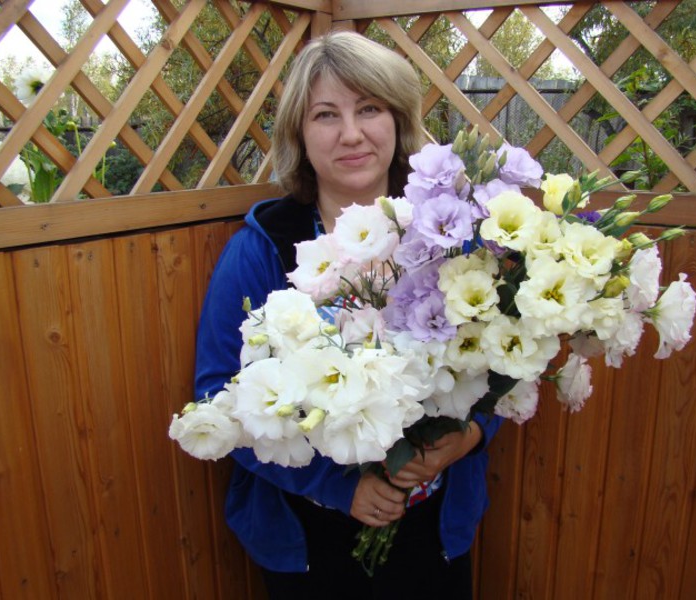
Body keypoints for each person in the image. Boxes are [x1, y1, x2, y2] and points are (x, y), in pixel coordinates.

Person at [194, 31, 501, 600]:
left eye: (369, 109)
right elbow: (219, 394)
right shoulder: (263, 247)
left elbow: (504, 360)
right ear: (299, 136)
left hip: (434, 525)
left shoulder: (450, 239)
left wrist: (470, 436)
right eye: (326, 115)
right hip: (307, 537)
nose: (352, 133)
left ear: (399, 121)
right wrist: (339, 488)